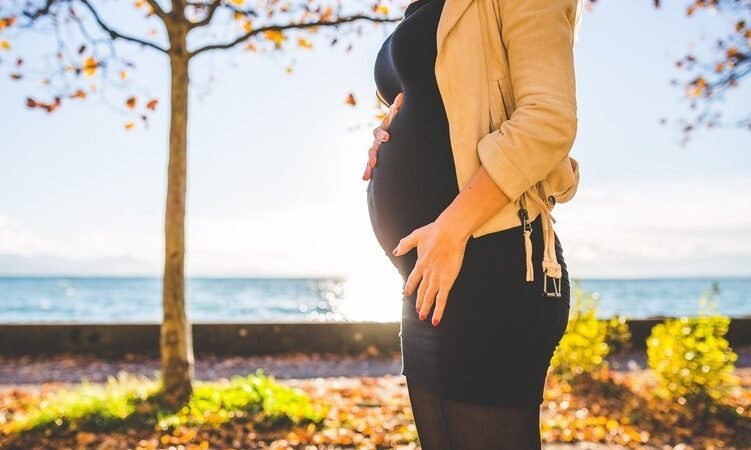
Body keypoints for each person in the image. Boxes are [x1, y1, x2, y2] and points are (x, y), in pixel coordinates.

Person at [363, 0, 585, 448]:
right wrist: (389, 128)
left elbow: (548, 119)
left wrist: (451, 228)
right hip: (429, 278)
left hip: (492, 263)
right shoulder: (422, 7)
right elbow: (442, 102)